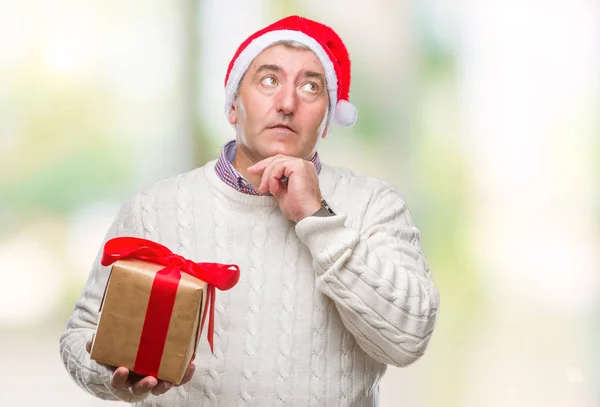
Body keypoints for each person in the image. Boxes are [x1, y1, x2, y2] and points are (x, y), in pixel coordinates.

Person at [60, 15, 440, 406]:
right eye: (269, 80)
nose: (288, 103)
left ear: (327, 119)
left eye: (311, 87)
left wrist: (317, 217)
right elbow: (79, 336)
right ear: (233, 107)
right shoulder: (155, 209)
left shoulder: (375, 205)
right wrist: (112, 374)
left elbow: (408, 339)